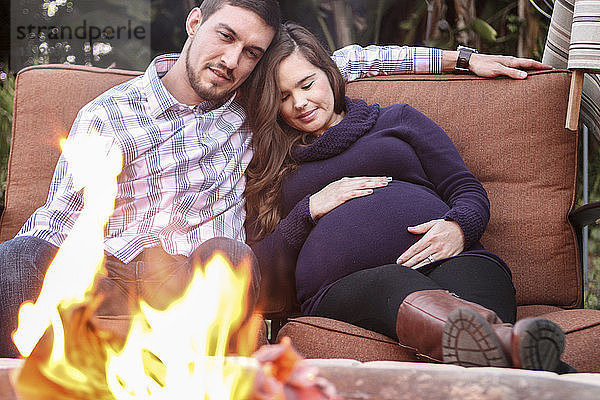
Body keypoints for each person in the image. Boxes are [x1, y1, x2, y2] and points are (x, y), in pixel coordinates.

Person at [0, 0, 552, 358]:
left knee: (228, 256)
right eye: (224, 37)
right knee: (21, 258)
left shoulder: (253, 107)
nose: (231, 60)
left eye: (250, 53)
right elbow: (61, 225)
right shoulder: (110, 115)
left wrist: (461, 60)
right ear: (195, 23)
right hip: (107, 273)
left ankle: (518, 355)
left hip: (195, 279)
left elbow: (349, 60)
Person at [244, 22, 569, 372]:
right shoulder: (272, 164)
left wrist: (458, 228)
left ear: (329, 71)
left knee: (476, 283)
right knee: (393, 282)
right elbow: (260, 269)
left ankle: (507, 353)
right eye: (283, 97)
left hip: (454, 257)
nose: (301, 102)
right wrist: (307, 210)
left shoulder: (397, 119)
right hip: (348, 285)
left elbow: (466, 189)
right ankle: (538, 362)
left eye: (307, 84)